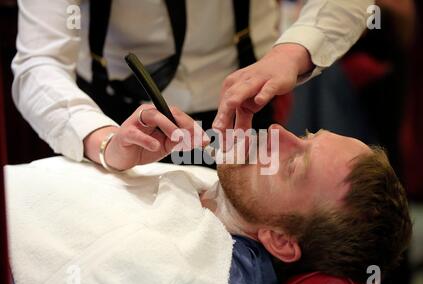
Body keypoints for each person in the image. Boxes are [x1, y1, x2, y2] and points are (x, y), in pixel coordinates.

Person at [6, 106, 412, 284]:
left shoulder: (186, 280)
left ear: (282, 242)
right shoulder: (218, 190)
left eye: (293, 165)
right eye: (305, 136)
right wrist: (109, 150)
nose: (277, 132)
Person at [11, 0, 373, 170]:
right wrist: (102, 140)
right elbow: (39, 61)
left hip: (247, 106)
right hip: (113, 115)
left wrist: (292, 53)